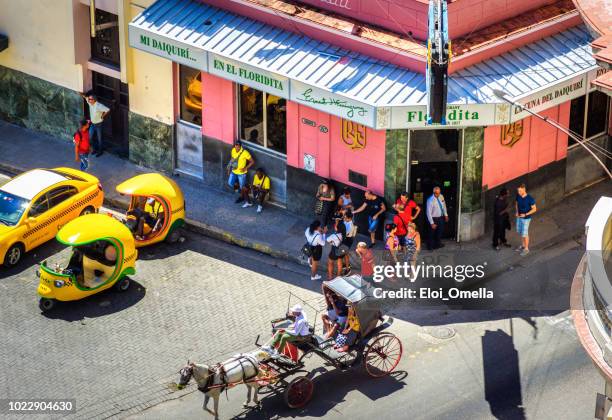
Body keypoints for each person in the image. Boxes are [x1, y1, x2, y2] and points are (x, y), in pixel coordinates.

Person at [515, 184, 536, 256]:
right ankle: (523, 246)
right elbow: (516, 203)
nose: (518, 192)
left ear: (524, 189)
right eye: (518, 191)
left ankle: (526, 249)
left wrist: (526, 214)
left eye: (520, 191)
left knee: (525, 233)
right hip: (519, 217)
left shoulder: (530, 199)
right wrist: (517, 212)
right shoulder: (518, 196)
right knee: (521, 232)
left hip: (526, 219)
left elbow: (534, 209)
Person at [426, 186, 448, 250]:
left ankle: (438, 244)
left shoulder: (441, 196)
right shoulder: (430, 200)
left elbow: (444, 206)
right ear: (433, 192)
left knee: (439, 232)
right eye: (436, 193)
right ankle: (430, 246)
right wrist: (432, 223)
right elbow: (428, 213)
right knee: (431, 233)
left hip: (440, 217)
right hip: (433, 218)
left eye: (439, 193)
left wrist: (446, 215)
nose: (438, 194)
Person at [341, 210, 357, 275]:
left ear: (349, 218)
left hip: (347, 240)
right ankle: (345, 265)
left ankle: (348, 269)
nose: (344, 219)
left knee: (345, 254)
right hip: (346, 239)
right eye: (344, 217)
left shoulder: (350, 225)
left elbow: (345, 234)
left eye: (345, 218)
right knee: (343, 253)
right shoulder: (346, 221)